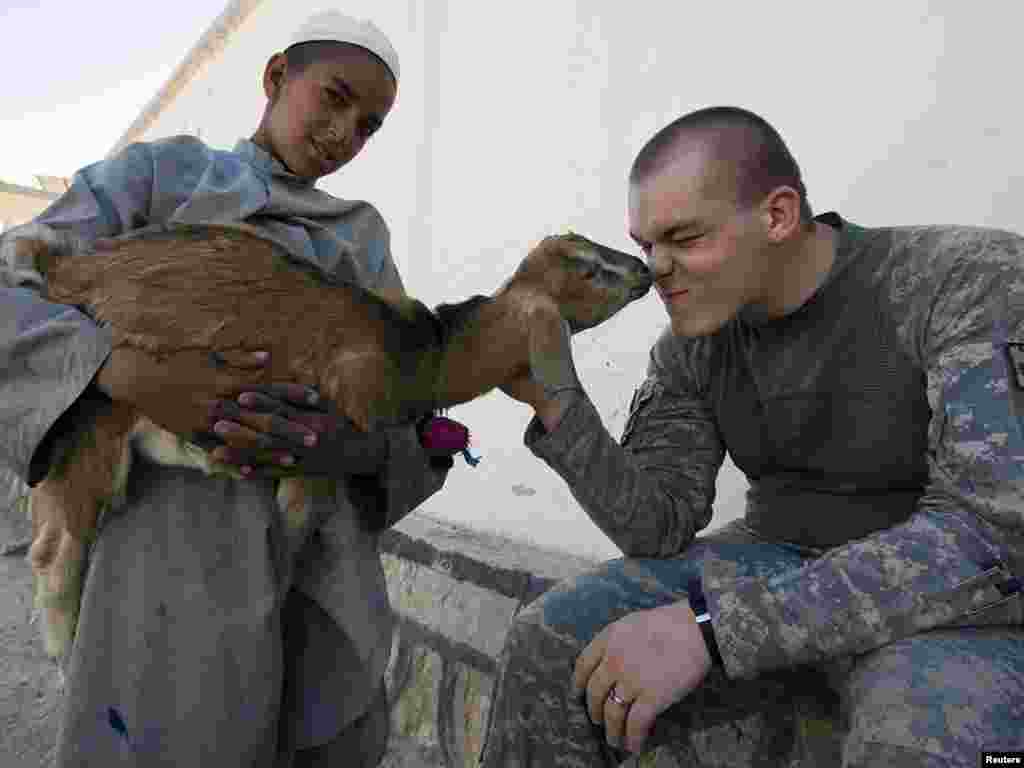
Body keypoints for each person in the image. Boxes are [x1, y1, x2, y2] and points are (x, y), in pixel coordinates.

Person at [481, 106, 1024, 767]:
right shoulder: (694, 344)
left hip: (965, 606)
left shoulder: (966, 281)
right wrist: (557, 401)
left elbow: (989, 539)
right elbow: (658, 522)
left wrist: (713, 631)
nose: (656, 270)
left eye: (684, 238)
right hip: (779, 558)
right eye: (647, 245)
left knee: (913, 742)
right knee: (554, 641)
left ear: (778, 215)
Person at [0, 11, 465, 767]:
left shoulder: (360, 238)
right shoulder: (160, 178)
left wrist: (352, 445)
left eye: (370, 126)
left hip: (316, 559)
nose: (345, 132)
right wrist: (124, 373)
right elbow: (11, 282)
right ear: (277, 76)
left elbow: (411, 398)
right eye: (335, 97)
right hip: (161, 534)